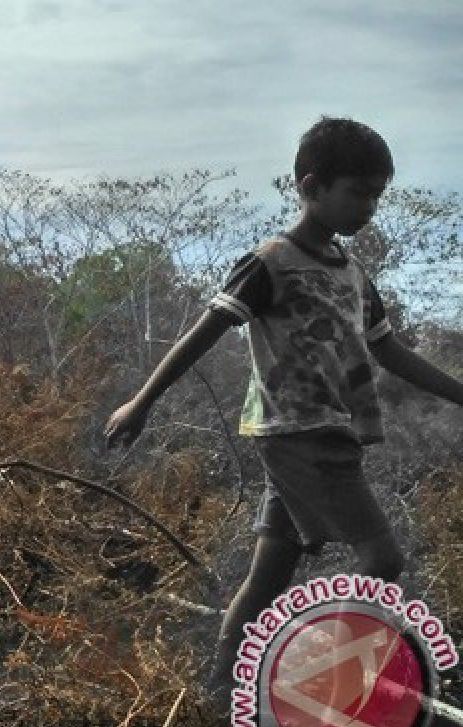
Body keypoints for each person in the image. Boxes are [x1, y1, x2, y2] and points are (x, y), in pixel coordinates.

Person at [102, 116, 463, 691]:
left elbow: (391, 352)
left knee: (269, 573)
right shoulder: (271, 262)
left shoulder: (354, 276)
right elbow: (204, 332)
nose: (368, 207)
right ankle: (317, 689)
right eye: (357, 192)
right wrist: (143, 399)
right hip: (299, 433)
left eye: (376, 195)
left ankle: (218, 695)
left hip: (326, 433)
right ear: (311, 186)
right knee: (383, 559)